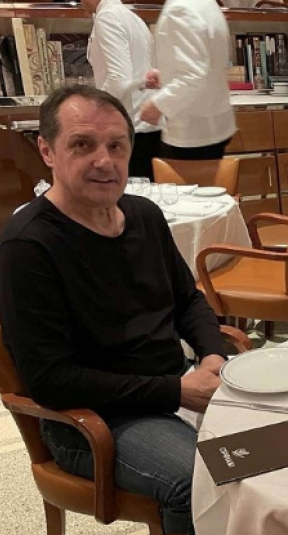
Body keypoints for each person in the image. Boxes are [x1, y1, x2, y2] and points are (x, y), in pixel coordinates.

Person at [0, 85, 228, 535]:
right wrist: (177, 392)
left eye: (116, 146)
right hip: (93, 421)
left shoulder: (144, 215)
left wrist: (214, 356)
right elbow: (52, 380)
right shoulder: (27, 246)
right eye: (82, 145)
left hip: (172, 382)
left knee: (278, 436)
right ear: (47, 150)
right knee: (199, 478)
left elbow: (188, 299)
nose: (104, 161)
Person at [140, 0, 236, 160]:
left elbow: (193, 77)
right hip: (214, 122)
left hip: (191, 131)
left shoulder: (180, 9)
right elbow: (206, 63)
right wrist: (167, 75)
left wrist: (157, 105)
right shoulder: (207, 4)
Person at [83, 0, 161, 180]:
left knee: (127, 193)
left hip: (127, 126)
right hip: (144, 124)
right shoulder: (133, 18)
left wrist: (93, 108)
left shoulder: (107, 17)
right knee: (144, 191)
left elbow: (119, 79)